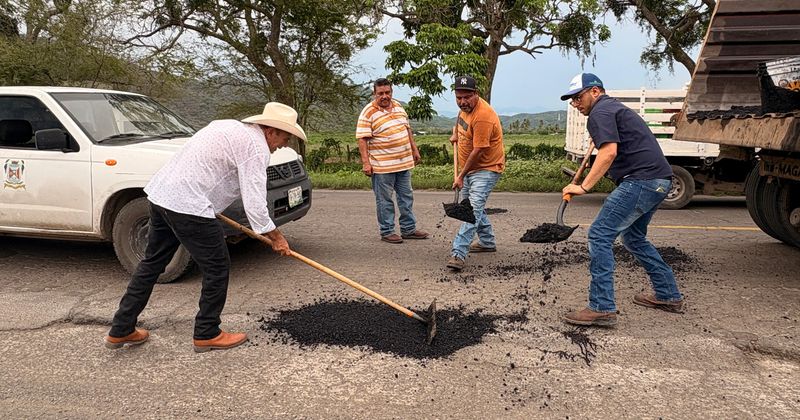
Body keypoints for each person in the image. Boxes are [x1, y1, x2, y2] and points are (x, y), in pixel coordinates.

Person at [104, 102, 305, 352]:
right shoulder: (256, 148)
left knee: (152, 263)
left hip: (162, 196)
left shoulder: (227, 126)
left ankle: (121, 328)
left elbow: (209, 168)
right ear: (271, 131)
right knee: (217, 266)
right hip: (188, 204)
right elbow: (254, 203)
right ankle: (207, 332)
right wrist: (276, 237)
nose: (284, 144)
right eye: (285, 137)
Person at [559, 73, 684, 327]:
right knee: (633, 237)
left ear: (595, 91)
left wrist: (583, 186)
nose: (575, 103)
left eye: (578, 96)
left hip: (641, 180)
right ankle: (667, 294)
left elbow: (609, 152)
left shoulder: (601, 112)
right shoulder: (612, 109)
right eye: (572, 99)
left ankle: (601, 307)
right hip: (660, 180)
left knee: (599, 234)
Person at [356, 77, 429, 244]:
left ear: (391, 92)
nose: (384, 96)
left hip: (403, 163)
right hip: (382, 166)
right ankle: (387, 231)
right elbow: (362, 139)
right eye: (380, 93)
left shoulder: (398, 106)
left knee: (406, 197)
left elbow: (407, 129)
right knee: (385, 199)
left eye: (387, 92)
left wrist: (414, 149)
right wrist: (366, 163)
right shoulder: (368, 112)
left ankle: (408, 229)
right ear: (374, 93)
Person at [446, 75, 505, 271]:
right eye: (458, 97)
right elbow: (460, 121)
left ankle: (458, 253)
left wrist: (461, 175)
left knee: (471, 211)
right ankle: (487, 242)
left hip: (485, 168)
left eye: (466, 97)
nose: (462, 102)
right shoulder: (464, 109)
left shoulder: (483, 117)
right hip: (469, 168)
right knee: (472, 206)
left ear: (475, 94)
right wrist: (456, 133)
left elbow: (478, 151)